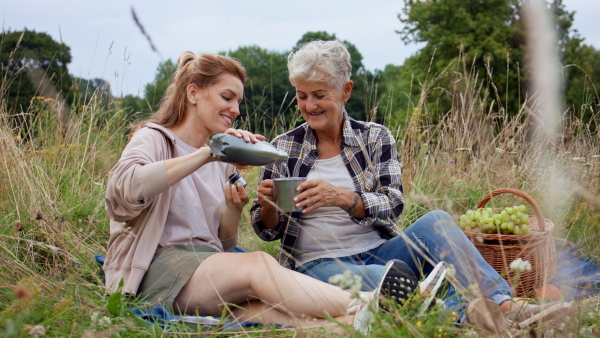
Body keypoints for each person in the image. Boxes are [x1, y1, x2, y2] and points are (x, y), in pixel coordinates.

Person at [250, 40, 574, 332]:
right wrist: (267, 206)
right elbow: (267, 231)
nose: (310, 105)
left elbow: (393, 204)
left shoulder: (375, 137)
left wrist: (345, 198)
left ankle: (505, 305)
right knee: (389, 281)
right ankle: (464, 313)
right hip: (317, 264)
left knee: (436, 222)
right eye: (302, 96)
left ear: (345, 91)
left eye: (320, 95)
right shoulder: (283, 147)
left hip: (380, 250)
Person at [101, 50, 421, 332]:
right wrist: (207, 153)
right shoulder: (154, 139)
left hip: (205, 271)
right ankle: (367, 300)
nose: (236, 109)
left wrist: (233, 209)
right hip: (160, 270)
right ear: (194, 92)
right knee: (257, 265)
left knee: (284, 317)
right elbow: (123, 193)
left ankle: (359, 325)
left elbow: (223, 245)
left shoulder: (224, 160)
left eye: (239, 101)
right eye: (228, 98)